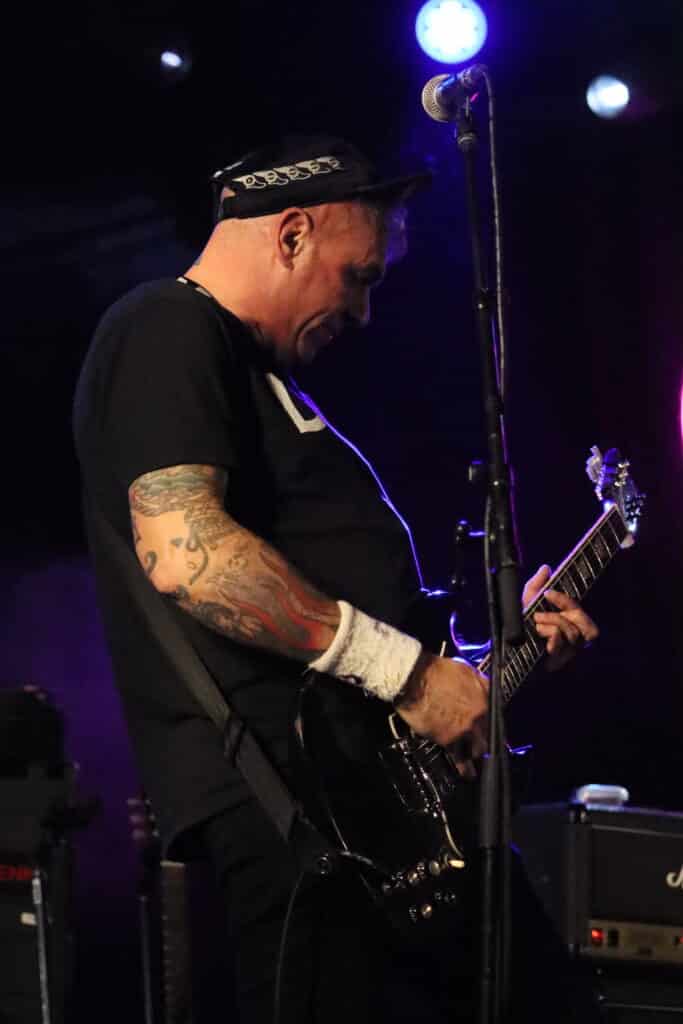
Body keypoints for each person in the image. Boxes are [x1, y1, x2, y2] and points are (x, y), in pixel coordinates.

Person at [73, 135, 600, 1023]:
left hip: (388, 811)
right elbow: (187, 555)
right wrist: (411, 676)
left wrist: (484, 664)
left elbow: (365, 647)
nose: (362, 310)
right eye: (358, 276)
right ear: (291, 235)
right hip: (299, 813)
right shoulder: (164, 325)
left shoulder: (259, 377)